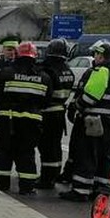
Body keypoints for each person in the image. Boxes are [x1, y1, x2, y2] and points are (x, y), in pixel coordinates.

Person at [60, 39, 110, 202]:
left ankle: (80, 190)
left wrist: (76, 106)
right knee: (105, 156)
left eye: (96, 54)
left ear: (101, 55)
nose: (94, 57)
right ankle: (101, 190)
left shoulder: (101, 71)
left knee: (87, 155)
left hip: (94, 122)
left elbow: (90, 97)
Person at [0, 41, 53, 195]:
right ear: (35, 56)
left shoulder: (6, 73)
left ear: (17, 55)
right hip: (32, 122)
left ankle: (1, 182)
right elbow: (47, 101)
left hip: (7, 119)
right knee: (27, 153)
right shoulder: (44, 77)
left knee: (4, 151)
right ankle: (27, 186)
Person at [37, 38, 77, 190]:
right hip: (59, 113)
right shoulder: (67, 70)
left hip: (46, 113)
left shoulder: (46, 69)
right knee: (55, 146)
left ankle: (46, 179)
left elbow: (43, 92)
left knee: (46, 147)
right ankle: (54, 174)